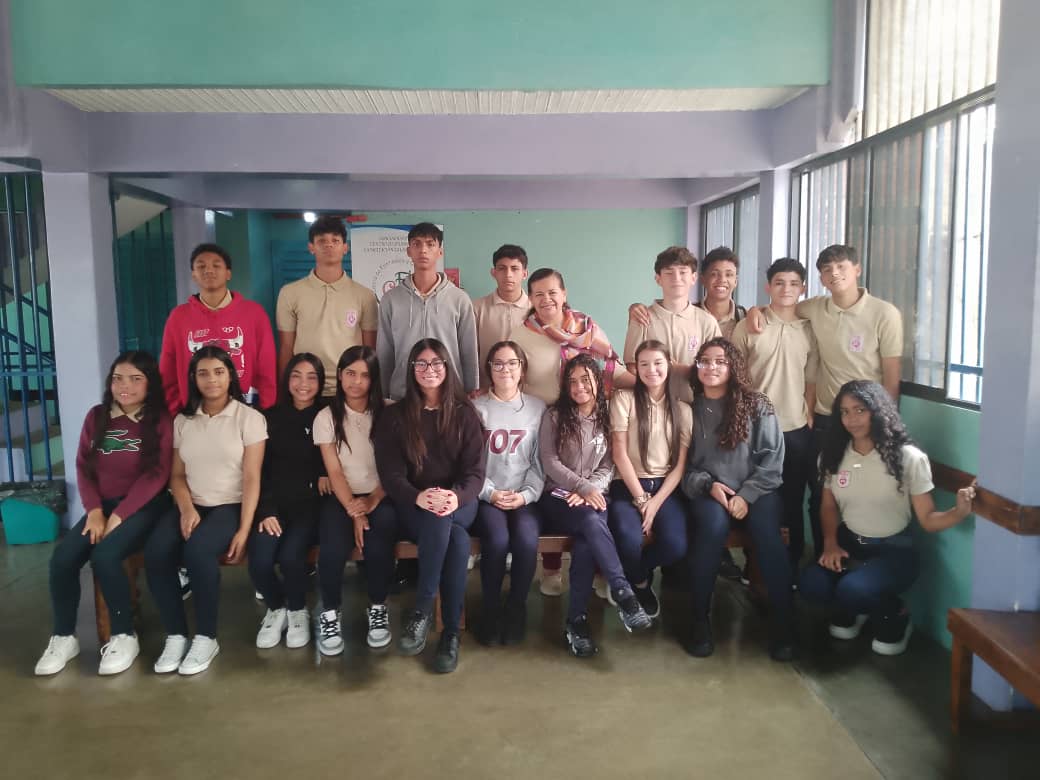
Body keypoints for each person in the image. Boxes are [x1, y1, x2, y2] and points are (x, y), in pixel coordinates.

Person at [745, 244, 903, 557]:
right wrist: (754, 311)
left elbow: (892, 378)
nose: (834, 274)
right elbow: (782, 305)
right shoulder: (815, 309)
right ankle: (824, 559)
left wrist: (885, 426)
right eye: (827, 270)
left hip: (869, 420)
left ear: (857, 269)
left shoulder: (884, 313)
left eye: (841, 267)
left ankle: (864, 563)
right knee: (820, 494)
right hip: (826, 419)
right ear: (820, 279)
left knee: (864, 492)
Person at [799, 380, 975, 655]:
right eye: (845, 412)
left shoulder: (909, 458)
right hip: (849, 544)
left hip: (894, 551)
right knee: (811, 585)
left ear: (877, 411)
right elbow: (828, 506)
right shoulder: (833, 455)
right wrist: (830, 544)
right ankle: (856, 606)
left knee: (853, 590)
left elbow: (928, 519)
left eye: (860, 410)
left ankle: (896, 614)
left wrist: (959, 511)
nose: (851, 419)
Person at [34, 352, 173, 676]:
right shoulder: (97, 416)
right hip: (103, 506)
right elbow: (84, 467)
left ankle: (123, 635)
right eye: (118, 378)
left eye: (135, 379)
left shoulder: (160, 420)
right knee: (63, 559)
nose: (125, 386)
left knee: (106, 556)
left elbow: (156, 475)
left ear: (149, 384)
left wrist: (120, 515)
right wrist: (94, 511)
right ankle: (63, 636)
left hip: (143, 506)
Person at [509, 267, 634, 595]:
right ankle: (551, 569)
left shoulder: (587, 328)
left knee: (588, 496)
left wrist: (649, 384)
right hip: (543, 421)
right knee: (552, 491)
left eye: (552, 292)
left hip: (587, 418)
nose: (546, 299)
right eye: (538, 294)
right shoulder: (521, 335)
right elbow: (511, 379)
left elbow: (610, 367)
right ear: (530, 298)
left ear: (564, 294)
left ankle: (598, 571)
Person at [144, 346, 267, 675]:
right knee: (156, 551)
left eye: (219, 372)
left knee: (198, 552)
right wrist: (186, 509)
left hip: (231, 505)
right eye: (203, 373)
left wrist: (244, 529)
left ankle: (205, 637)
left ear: (230, 376)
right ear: (193, 379)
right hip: (192, 504)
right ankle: (175, 635)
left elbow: (252, 477)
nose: (211, 379)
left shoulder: (249, 418)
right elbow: (177, 475)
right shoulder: (183, 421)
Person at [373, 338, 485, 673]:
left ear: (447, 367)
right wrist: (418, 496)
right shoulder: (395, 416)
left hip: (460, 502)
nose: (428, 370)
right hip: (413, 504)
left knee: (443, 516)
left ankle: (422, 610)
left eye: (436, 363)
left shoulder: (465, 414)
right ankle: (450, 634)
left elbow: (476, 474)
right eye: (420, 363)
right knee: (456, 540)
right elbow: (391, 474)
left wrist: (455, 496)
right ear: (411, 370)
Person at [681, 338, 795, 661]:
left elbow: (773, 461)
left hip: (757, 490)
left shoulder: (757, 404)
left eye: (720, 361)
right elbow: (683, 468)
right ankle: (699, 620)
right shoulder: (689, 409)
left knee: (768, 536)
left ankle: (784, 624)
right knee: (712, 529)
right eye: (705, 361)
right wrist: (708, 486)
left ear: (734, 367)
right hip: (710, 491)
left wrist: (746, 495)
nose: (711, 367)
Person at [539, 354, 652, 658]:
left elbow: (610, 464)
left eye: (586, 380)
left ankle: (576, 622)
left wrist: (591, 489)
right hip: (557, 496)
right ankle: (623, 591)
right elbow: (549, 461)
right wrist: (582, 487)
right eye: (572, 381)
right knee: (591, 523)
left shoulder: (608, 415)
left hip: (595, 496)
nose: (579, 387)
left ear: (599, 382)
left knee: (588, 538)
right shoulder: (554, 416)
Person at [731, 258, 818, 569]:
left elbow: (811, 378)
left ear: (803, 288)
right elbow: (734, 375)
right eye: (779, 282)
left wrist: (808, 412)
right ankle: (754, 566)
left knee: (792, 499)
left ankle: (790, 567)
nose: (786, 289)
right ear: (768, 287)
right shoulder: (749, 324)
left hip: (795, 427)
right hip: (754, 427)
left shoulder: (809, 329)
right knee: (755, 496)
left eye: (794, 283)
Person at [313, 345, 397, 655]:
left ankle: (378, 607)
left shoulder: (389, 412)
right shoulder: (326, 416)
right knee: (332, 547)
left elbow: (397, 467)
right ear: (339, 375)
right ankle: (330, 612)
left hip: (383, 494)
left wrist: (374, 499)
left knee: (379, 540)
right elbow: (334, 471)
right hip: (343, 496)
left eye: (364, 375)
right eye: (350, 373)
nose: (356, 382)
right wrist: (354, 511)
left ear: (374, 379)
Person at [249, 353, 329, 651]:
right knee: (259, 560)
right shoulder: (269, 418)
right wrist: (267, 509)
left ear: (320, 382)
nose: (303, 384)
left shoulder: (327, 416)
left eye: (311, 377)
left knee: (291, 556)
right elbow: (260, 469)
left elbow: (336, 457)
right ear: (287, 380)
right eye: (296, 375)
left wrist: (324, 473)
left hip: (310, 507)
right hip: (274, 506)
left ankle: (297, 611)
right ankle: (277, 608)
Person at [607, 340, 692, 621]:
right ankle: (641, 584)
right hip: (627, 484)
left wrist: (654, 503)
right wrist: (642, 499)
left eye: (658, 363)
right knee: (628, 538)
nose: (651, 370)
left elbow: (679, 466)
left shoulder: (683, 409)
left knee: (676, 545)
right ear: (636, 368)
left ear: (669, 365)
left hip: (665, 488)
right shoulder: (623, 399)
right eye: (643, 364)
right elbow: (619, 453)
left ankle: (632, 573)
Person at [471, 341, 546, 645]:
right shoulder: (476, 409)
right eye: (498, 363)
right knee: (497, 539)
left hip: (524, 496)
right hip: (487, 496)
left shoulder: (537, 408)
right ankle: (489, 608)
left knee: (527, 540)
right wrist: (489, 493)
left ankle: (516, 607)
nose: (505, 369)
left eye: (512, 363)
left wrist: (526, 495)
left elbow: (541, 461)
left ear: (522, 368)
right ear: (488, 369)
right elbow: (469, 464)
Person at [159, 242, 277, 415]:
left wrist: (265, 408)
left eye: (216, 265)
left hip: (246, 411)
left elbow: (266, 365)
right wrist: (176, 410)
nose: (208, 270)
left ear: (228, 273)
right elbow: (168, 370)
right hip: (194, 413)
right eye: (201, 266)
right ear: (193, 275)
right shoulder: (179, 317)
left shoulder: (254, 313)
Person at [276, 215, 378, 397]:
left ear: (345, 248)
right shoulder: (289, 293)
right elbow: (286, 347)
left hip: (350, 389)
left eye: (335, 240)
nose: (329, 245)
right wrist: (285, 392)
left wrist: (369, 391)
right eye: (322, 241)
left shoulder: (365, 295)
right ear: (311, 247)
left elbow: (369, 351)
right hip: (306, 389)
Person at [376, 223, 478, 400]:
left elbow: (469, 351)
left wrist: (471, 390)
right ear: (409, 251)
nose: (423, 250)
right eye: (417, 244)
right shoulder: (391, 299)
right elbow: (385, 353)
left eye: (430, 244)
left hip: (448, 396)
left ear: (440, 252)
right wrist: (382, 396)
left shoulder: (459, 299)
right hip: (403, 396)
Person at [622, 246, 721, 402]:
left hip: (696, 405)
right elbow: (632, 367)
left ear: (693, 278)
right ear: (658, 279)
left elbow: (718, 367)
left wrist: (687, 371)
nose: (676, 278)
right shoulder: (641, 318)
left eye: (683, 272)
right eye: (669, 273)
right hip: (651, 406)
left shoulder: (707, 322)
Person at [472, 245, 531, 390]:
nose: (508, 274)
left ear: (525, 273)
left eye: (514, 268)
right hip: (488, 391)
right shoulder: (476, 308)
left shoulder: (535, 309)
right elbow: (470, 353)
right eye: (502, 268)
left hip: (528, 392)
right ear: (493, 272)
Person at [696, 246, 747, 340]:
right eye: (714, 274)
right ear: (703, 279)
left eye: (728, 275)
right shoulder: (690, 315)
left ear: (735, 281)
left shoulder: (745, 317)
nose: (722, 280)